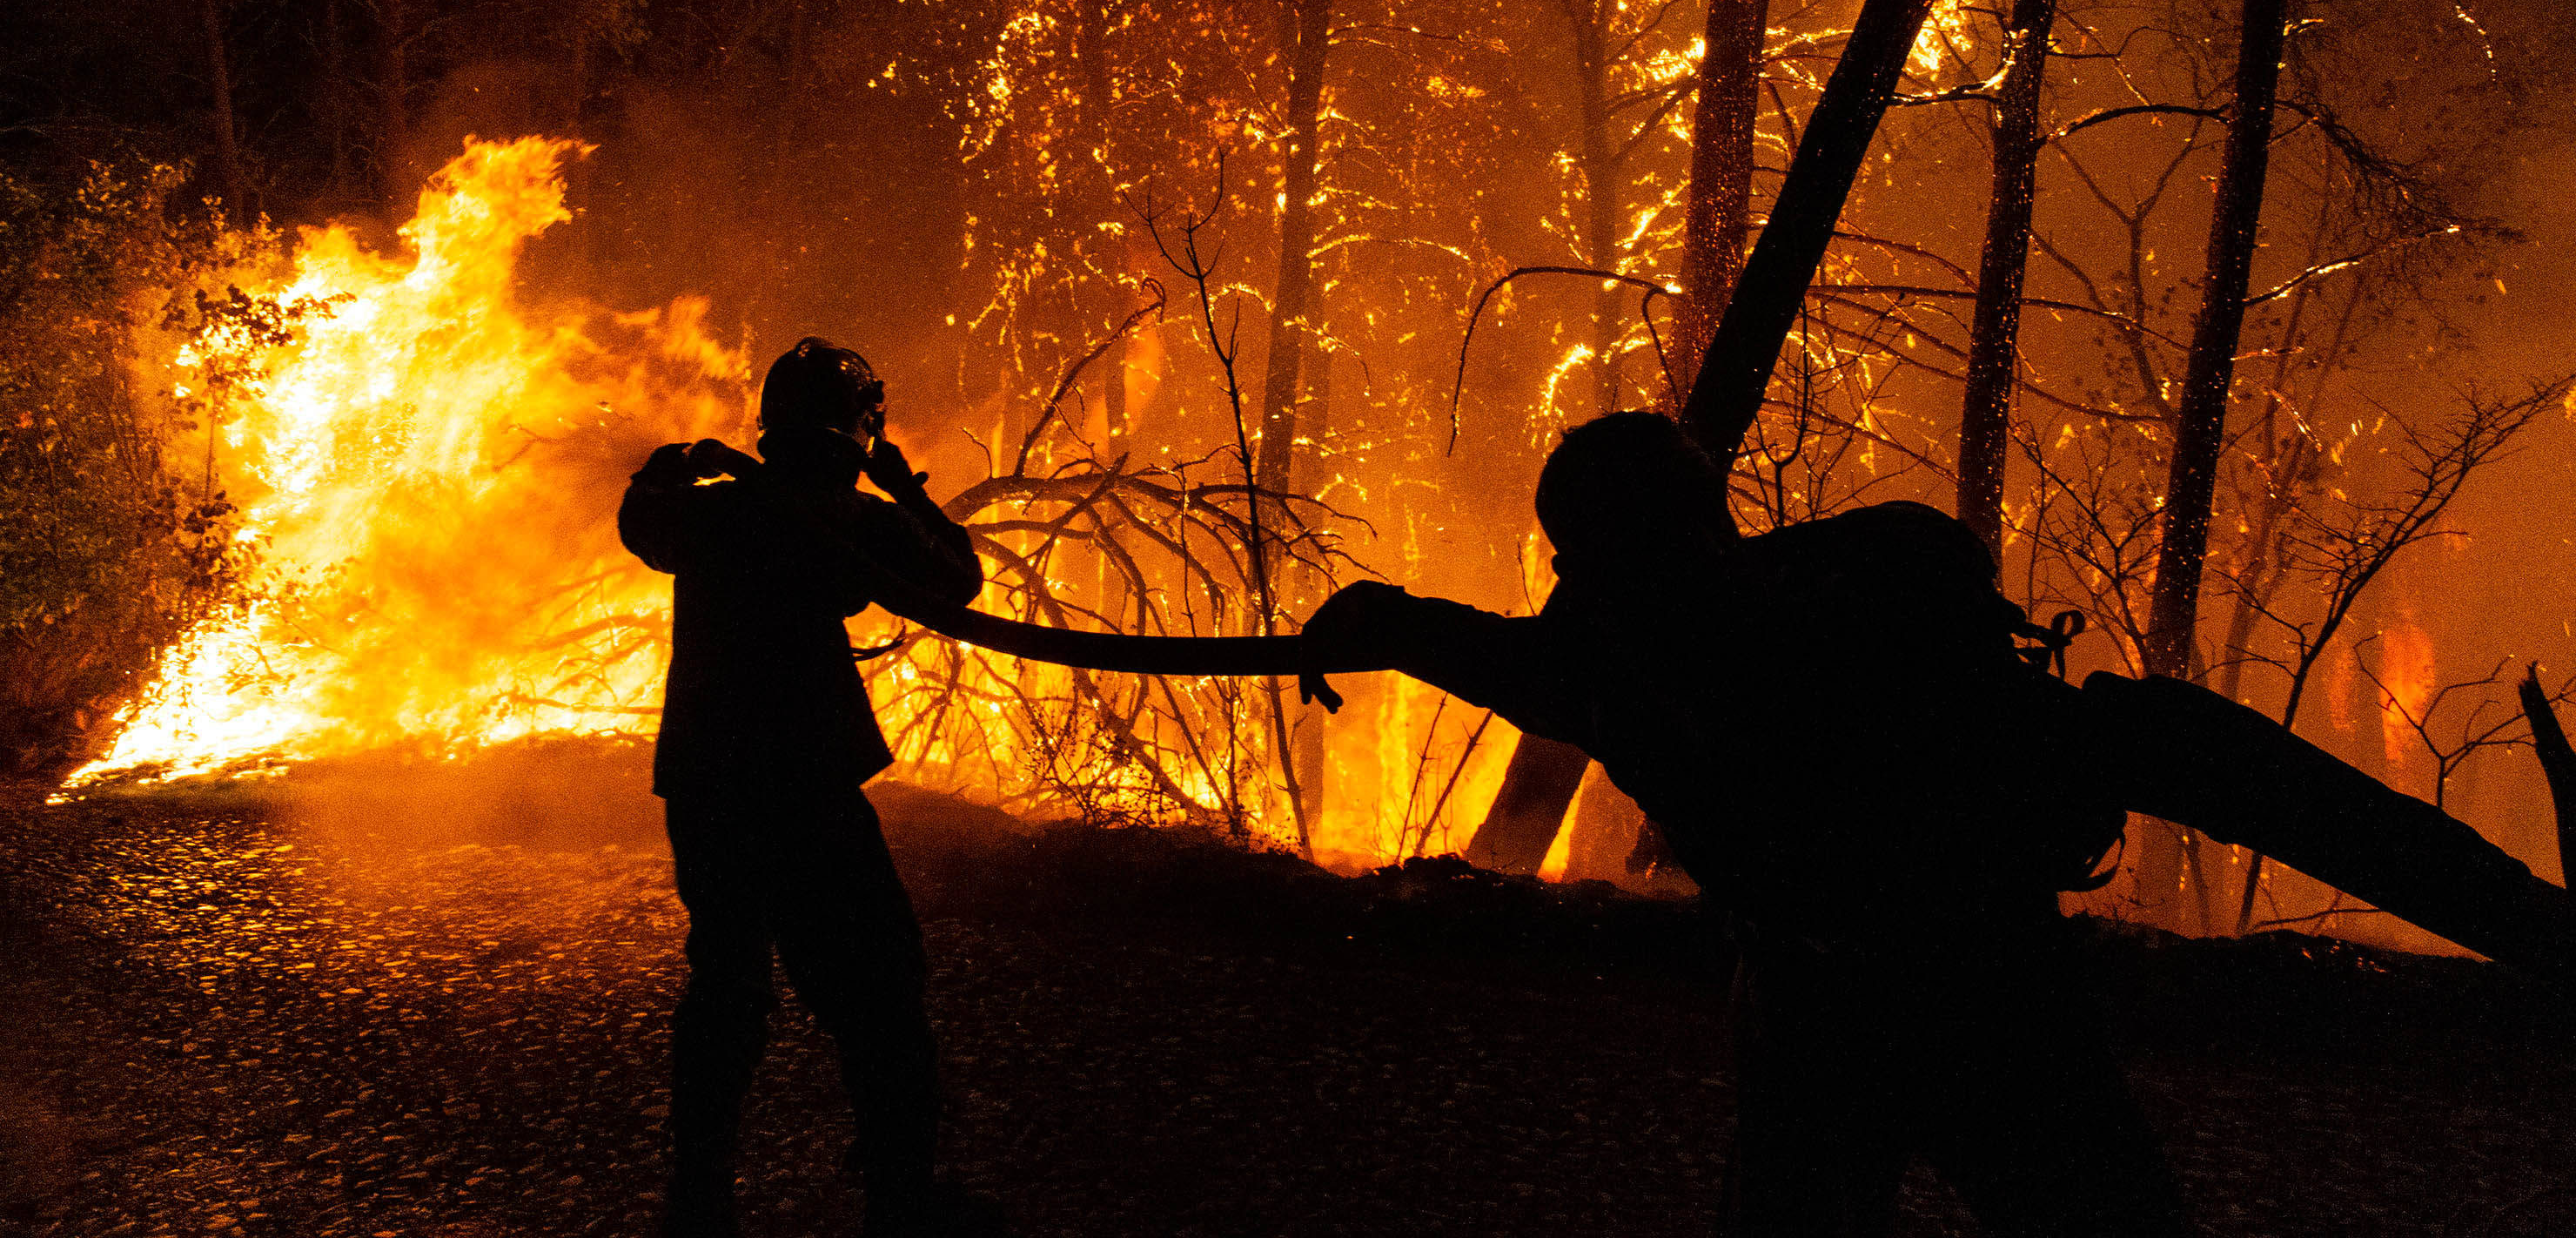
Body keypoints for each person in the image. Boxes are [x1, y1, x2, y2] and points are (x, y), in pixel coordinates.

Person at [1304, 409, 2576, 1235]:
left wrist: (1372, 619)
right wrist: (2531, 927)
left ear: (1587, 552)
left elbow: (1467, 645)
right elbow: (2309, 809)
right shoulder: (1785, 634)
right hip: (1982, 1001)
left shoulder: (1621, 663)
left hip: (1853, 1011)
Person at [619, 338, 1004, 1238]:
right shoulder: (850, 518)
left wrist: (664, 465)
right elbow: (957, 578)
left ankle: (699, 1190)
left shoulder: (716, 514)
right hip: (801, 786)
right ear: (858, 429)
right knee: (880, 979)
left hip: (706, 783)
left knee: (726, 980)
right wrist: (904, 484)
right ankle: (901, 1196)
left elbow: (643, 524)